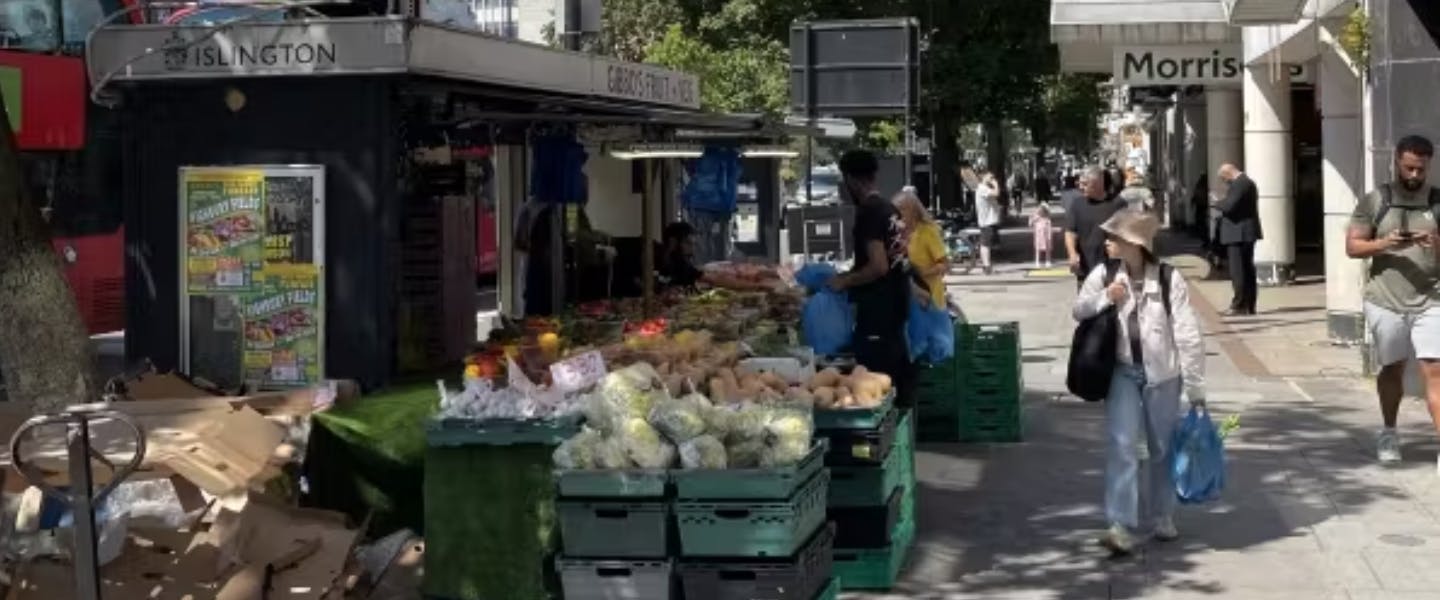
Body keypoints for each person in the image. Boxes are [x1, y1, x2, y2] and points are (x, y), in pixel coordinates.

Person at [1073, 210, 1206, 555]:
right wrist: (1107, 297)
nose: (1108, 242)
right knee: (1122, 445)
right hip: (1121, 372)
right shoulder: (1104, 273)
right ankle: (1119, 524)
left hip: (1163, 374)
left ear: (1134, 244)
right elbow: (1079, 309)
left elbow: (1187, 333)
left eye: (1115, 238)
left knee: (1162, 448)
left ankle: (1162, 515)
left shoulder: (1168, 278)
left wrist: (1195, 387)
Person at [1345, 135, 1440, 468]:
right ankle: (1388, 430)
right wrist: (1385, 243)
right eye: (1409, 167)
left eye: (1421, 169)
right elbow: (1353, 247)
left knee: (1436, 370)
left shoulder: (1437, 203)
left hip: (1432, 298)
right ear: (1397, 161)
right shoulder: (1376, 201)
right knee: (1393, 367)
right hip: (1385, 299)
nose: (1415, 175)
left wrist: (1435, 245)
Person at [828, 149, 916, 408]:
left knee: (877, 381)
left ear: (851, 180)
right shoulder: (890, 209)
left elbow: (878, 266)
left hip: (878, 310)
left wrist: (844, 281)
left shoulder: (869, 212)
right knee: (897, 373)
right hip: (897, 304)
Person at [1065, 167, 1126, 290]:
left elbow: (1127, 232)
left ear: (1098, 183)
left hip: (1112, 268)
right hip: (1085, 268)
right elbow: (1070, 232)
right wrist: (1072, 254)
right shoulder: (1078, 204)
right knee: (1087, 307)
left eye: (1085, 184)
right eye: (1080, 183)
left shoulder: (1118, 204)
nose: (1081, 187)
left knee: (1112, 306)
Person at [1214, 163, 1262, 316]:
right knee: (1247, 270)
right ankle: (1249, 305)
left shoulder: (1240, 184)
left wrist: (1216, 202)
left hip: (1238, 233)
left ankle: (1239, 305)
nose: (1225, 182)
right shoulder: (1247, 182)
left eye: (1224, 179)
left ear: (1228, 173)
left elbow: (1229, 206)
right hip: (1245, 232)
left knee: (1238, 271)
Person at [895, 189, 949, 307]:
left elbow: (944, 264)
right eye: (896, 210)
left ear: (914, 211)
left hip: (930, 299)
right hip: (908, 299)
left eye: (902, 209)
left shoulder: (927, 231)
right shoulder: (899, 233)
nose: (898, 214)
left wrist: (923, 272)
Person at [974, 172, 1002, 275]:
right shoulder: (982, 188)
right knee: (985, 244)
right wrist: (996, 184)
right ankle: (986, 266)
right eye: (990, 177)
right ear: (984, 177)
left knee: (987, 243)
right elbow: (996, 193)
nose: (992, 178)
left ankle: (987, 264)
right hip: (986, 221)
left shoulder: (984, 188)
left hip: (989, 220)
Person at [1030, 203, 1055, 268]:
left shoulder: (1047, 219)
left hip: (1046, 236)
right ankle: (1037, 261)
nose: (1042, 212)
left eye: (1044, 211)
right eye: (1041, 211)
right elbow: (1030, 223)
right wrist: (1033, 218)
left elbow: (1049, 227)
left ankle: (1048, 261)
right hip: (1039, 236)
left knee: (1047, 249)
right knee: (1038, 249)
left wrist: (1049, 235)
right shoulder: (1036, 217)